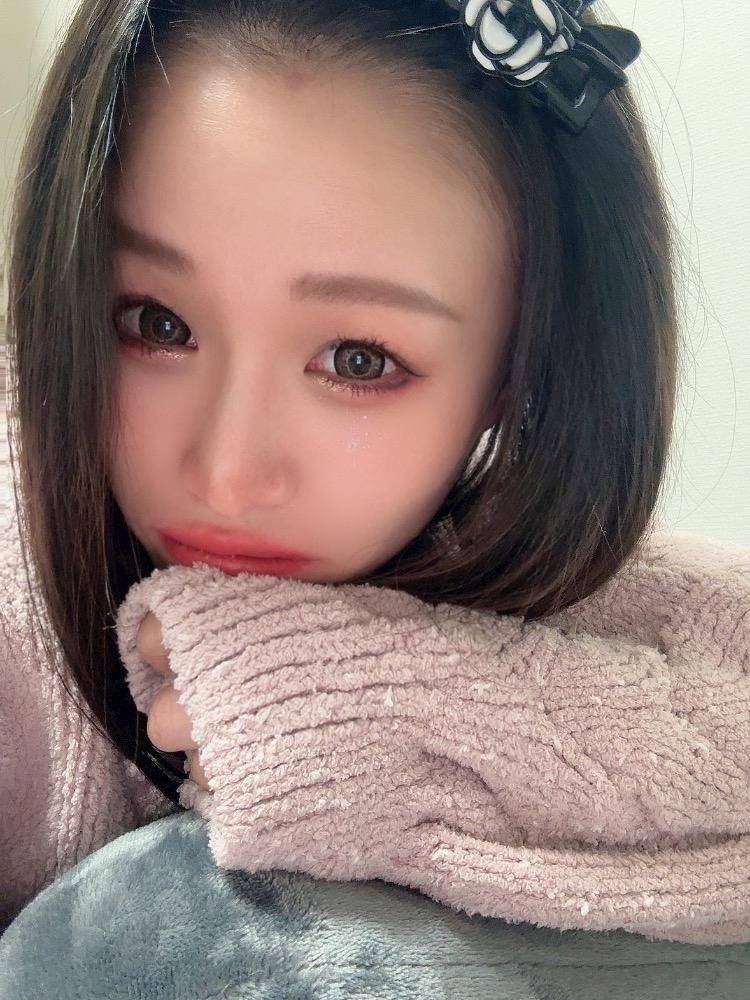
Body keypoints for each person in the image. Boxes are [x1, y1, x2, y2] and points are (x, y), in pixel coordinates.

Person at [0, 0, 749, 994]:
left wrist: (386, 722)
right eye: (155, 322)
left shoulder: (503, 541)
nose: (226, 472)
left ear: (516, 373)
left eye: (358, 359)